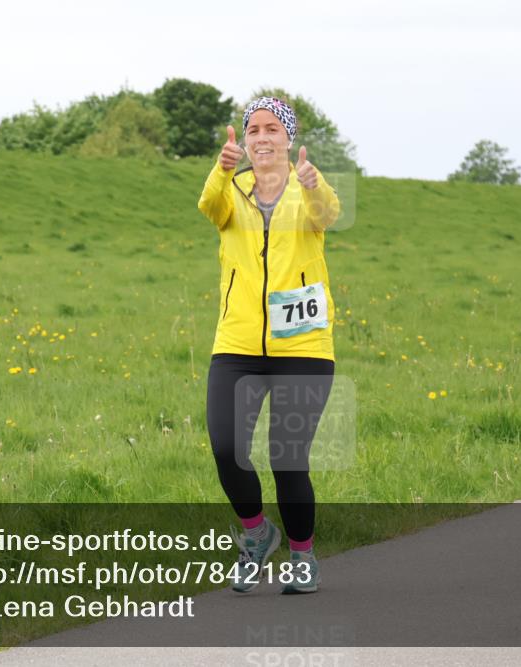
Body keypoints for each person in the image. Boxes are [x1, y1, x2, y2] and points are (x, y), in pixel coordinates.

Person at [197, 96, 341, 594]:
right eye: (253, 129)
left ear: (288, 139)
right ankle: (258, 535)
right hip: (237, 341)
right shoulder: (230, 190)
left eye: (271, 130)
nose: (261, 137)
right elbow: (207, 207)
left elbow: (329, 214)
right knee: (226, 448)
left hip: (302, 346)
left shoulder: (309, 189)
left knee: (287, 457)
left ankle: (303, 556)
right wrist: (220, 169)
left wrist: (312, 183)